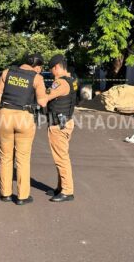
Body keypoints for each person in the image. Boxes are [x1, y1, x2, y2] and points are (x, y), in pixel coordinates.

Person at [0, 53, 47, 205]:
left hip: (5, 115)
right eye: (40, 68)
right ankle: (22, 196)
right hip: (24, 117)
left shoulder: (7, 72)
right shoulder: (37, 78)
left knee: (5, 156)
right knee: (23, 158)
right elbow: (42, 102)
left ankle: (5, 194)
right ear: (36, 66)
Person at [45, 54, 77, 202]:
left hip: (58, 125)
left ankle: (67, 191)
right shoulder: (70, 80)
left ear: (56, 67)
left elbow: (45, 96)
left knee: (61, 158)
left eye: (51, 69)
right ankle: (61, 187)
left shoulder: (60, 83)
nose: (51, 73)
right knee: (61, 156)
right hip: (65, 122)